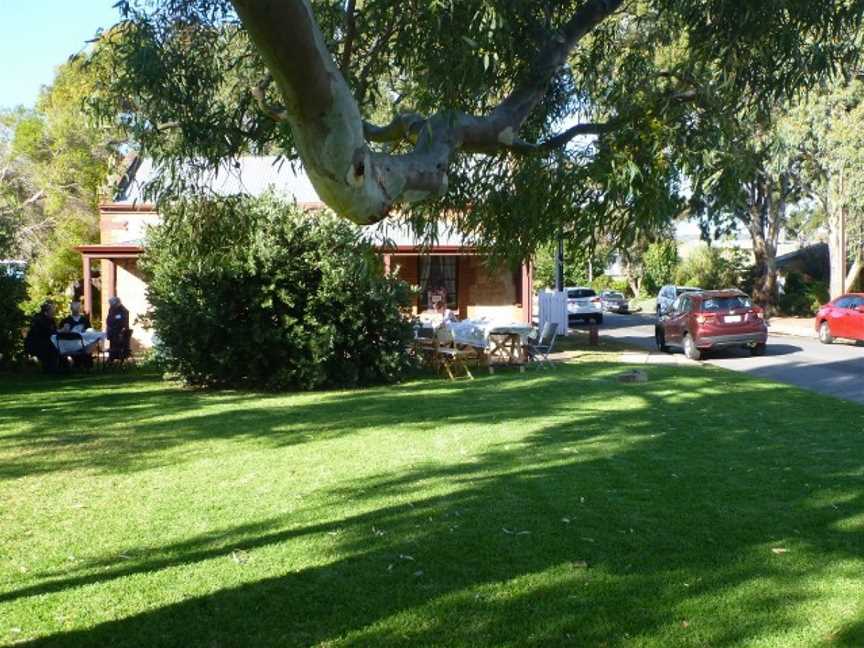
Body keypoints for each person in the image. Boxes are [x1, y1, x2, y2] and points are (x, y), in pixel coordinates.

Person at [24, 302, 60, 372]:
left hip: (46, 342)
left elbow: (54, 330)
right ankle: (50, 369)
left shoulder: (51, 320)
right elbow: (46, 332)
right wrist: (59, 331)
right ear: (46, 312)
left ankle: (55, 368)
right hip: (36, 343)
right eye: (52, 310)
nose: (54, 312)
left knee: (56, 346)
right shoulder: (39, 319)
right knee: (53, 347)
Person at [106, 296, 130, 361]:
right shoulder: (111, 309)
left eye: (113, 305)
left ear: (117, 303)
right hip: (112, 332)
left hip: (119, 333)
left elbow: (123, 323)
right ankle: (112, 357)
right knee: (112, 343)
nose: (112, 306)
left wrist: (114, 320)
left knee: (117, 342)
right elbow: (109, 320)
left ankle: (117, 357)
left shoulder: (124, 311)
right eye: (111, 305)